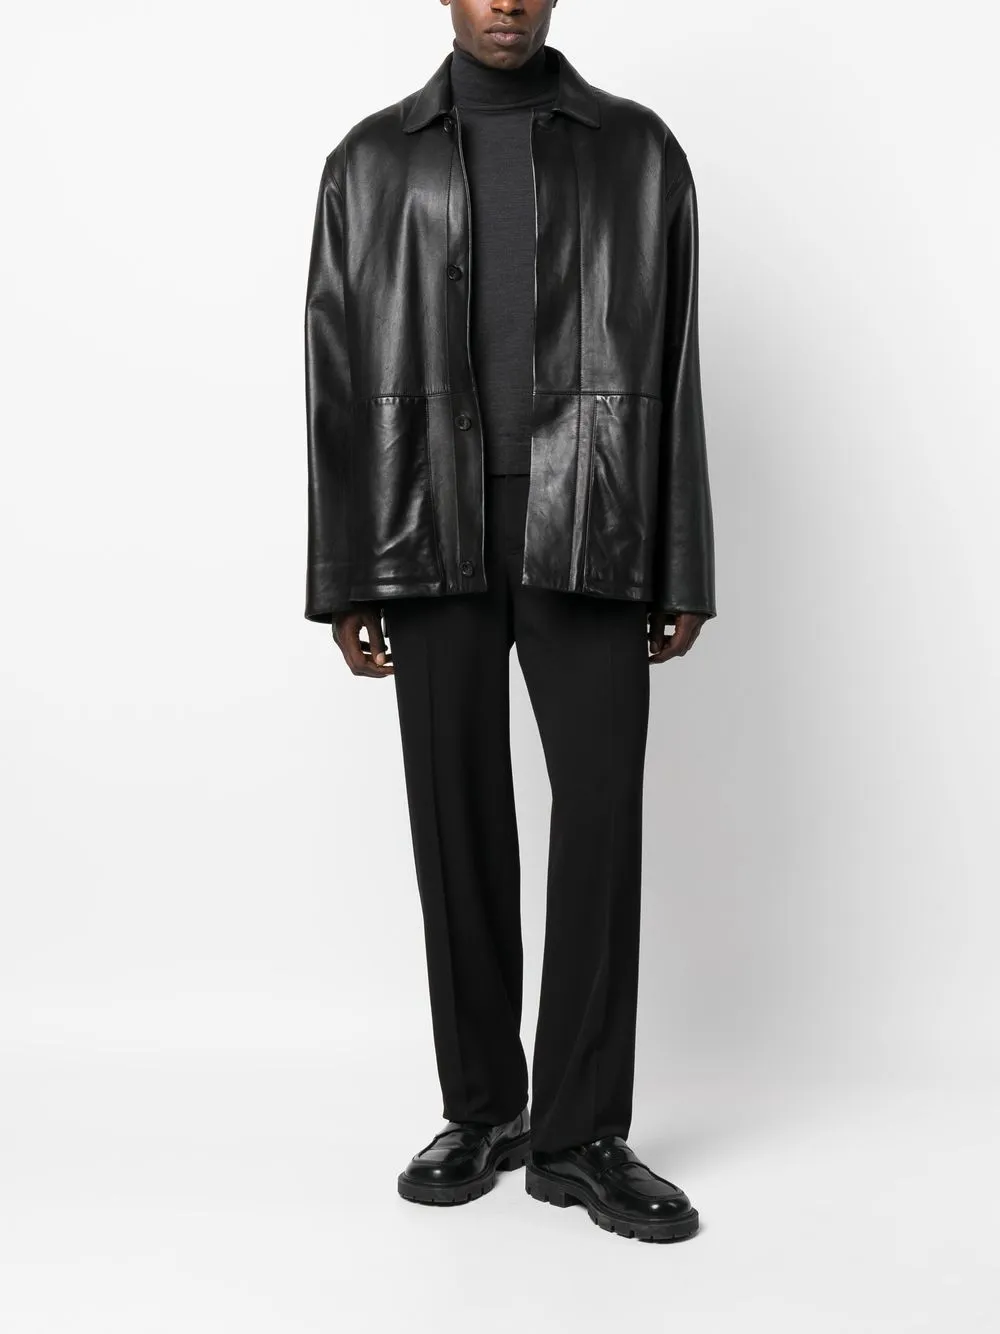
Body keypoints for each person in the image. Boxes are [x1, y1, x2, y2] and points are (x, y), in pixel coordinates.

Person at [303, 0, 715, 1244]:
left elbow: (678, 358)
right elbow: (333, 373)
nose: (506, 2)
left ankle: (580, 1134)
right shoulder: (369, 162)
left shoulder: (636, 151)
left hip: (589, 520)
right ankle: (483, 1107)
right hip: (424, 522)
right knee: (456, 813)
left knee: (598, 815)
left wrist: (678, 560)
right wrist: (344, 572)